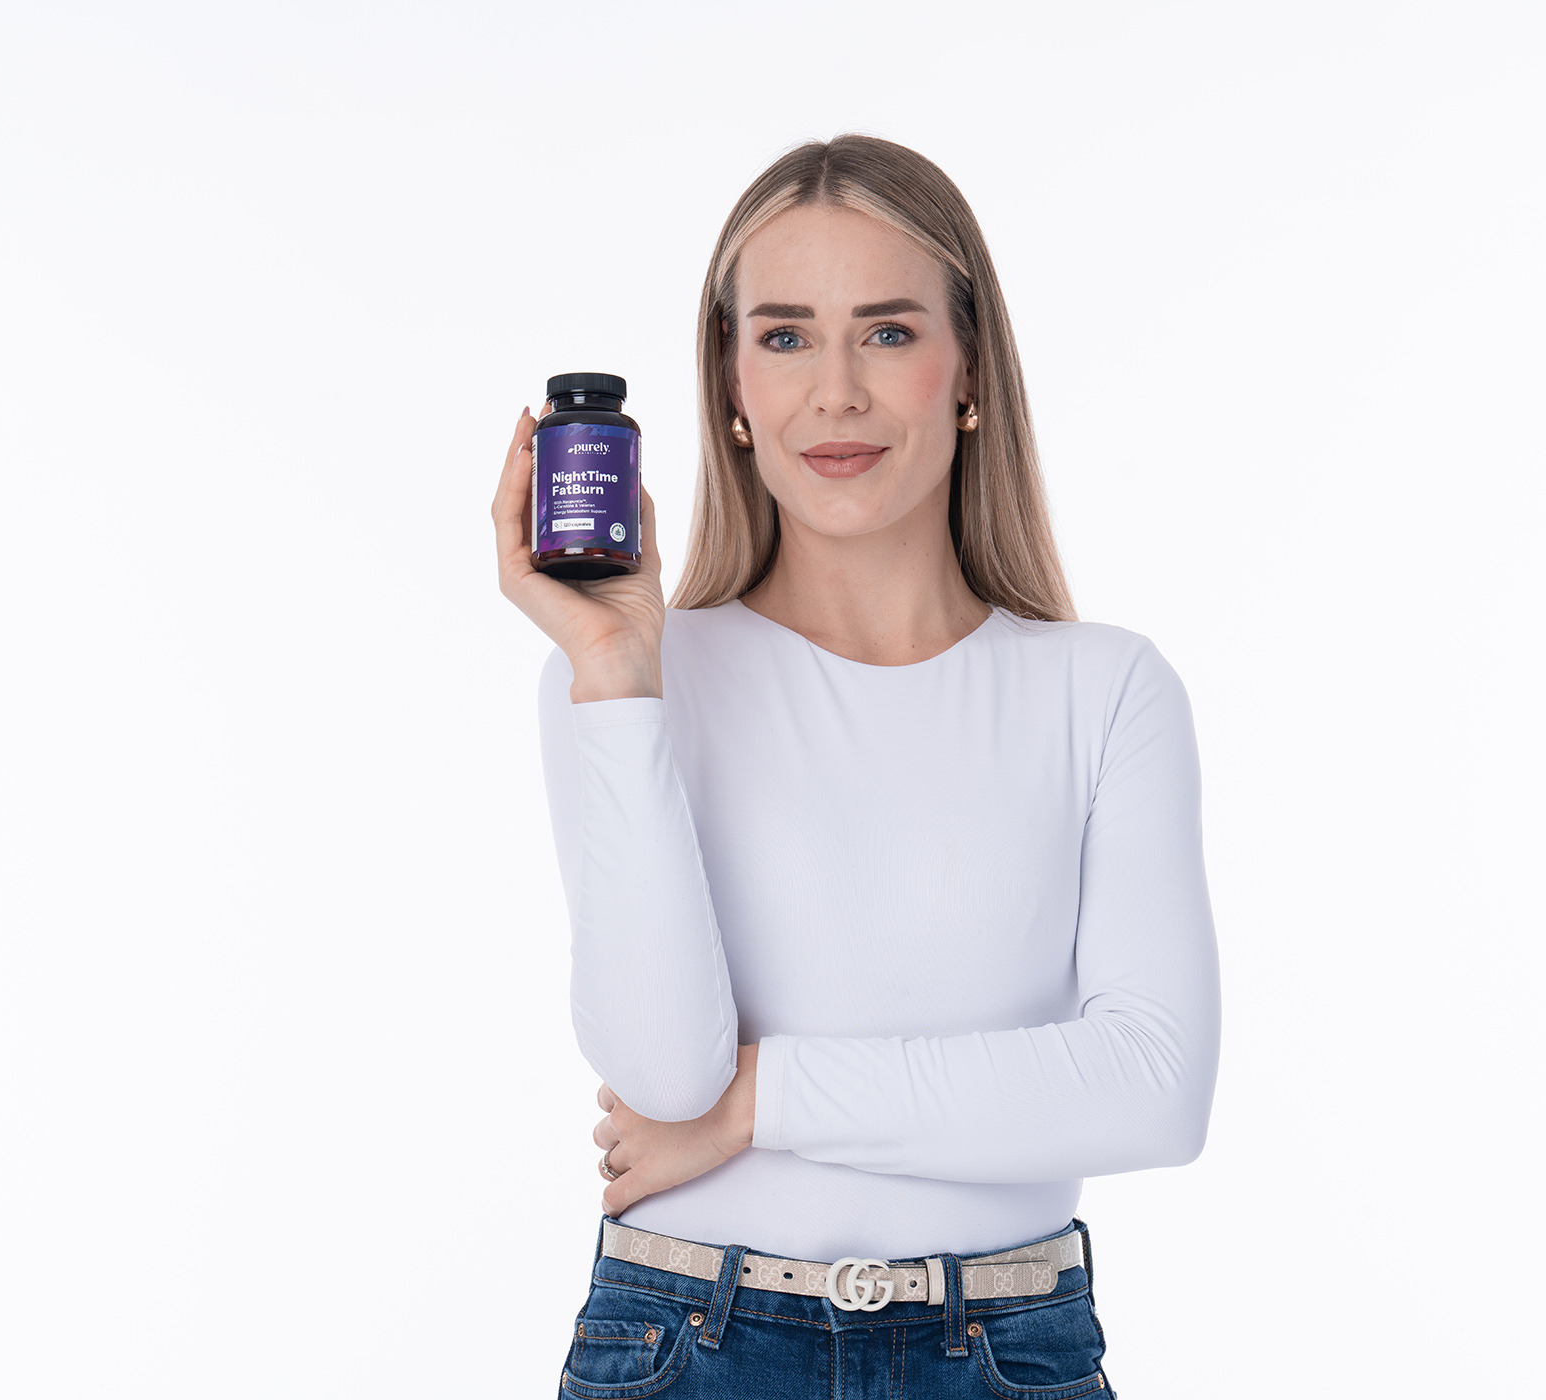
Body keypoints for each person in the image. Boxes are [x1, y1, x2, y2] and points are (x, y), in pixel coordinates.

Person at [493, 134, 1220, 1399]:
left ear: (969, 370)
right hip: (687, 1345)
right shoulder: (629, 678)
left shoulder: (1105, 691)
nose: (835, 392)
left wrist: (758, 1102)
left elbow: (1152, 1086)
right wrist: (614, 671)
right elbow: (665, 1074)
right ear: (730, 383)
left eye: (886, 331)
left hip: (1005, 1351)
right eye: (785, 336)